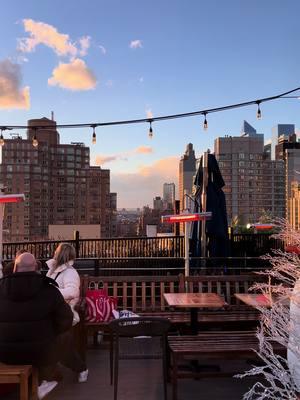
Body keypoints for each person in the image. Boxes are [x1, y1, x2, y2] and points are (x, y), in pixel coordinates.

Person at [0, 252, 73, 399]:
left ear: (15, 268)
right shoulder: (50, 290)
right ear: (35, 268)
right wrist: (50, 332)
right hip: (40, 353)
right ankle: (47, 378)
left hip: (4, 353)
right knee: (65, 338)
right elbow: (66, 319)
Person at [46, 243, 88, 382]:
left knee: (57, 343)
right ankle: (52, 373)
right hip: (53, 313)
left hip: (65, 315)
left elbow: (72, 292)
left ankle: (79, 368)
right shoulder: (53, 271)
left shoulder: (69, 272)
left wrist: (51, 293)